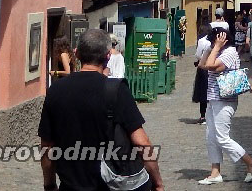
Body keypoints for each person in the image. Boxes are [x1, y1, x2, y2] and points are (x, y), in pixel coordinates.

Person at [38, 28, 164, 191]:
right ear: (108, 56)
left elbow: (46, 146)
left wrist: (49, 184)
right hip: (110, 185)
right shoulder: (116, 90)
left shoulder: (56, 90)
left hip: (71, 185)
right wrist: (158, 183)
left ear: (76, 54)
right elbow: (142, 142)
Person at [197, 28, 252, 185]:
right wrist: (212, 49)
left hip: (225, 100)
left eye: (214, 41)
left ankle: (250, 162)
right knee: (211, 136)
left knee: (222, 138)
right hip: (213, 98)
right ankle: (215, 172)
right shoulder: (217, 50)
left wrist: (216, 48)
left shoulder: (230, 53)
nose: (212, 43)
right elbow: (201, 65)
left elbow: (211, 65)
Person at [193, 23, 213, 124]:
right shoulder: (213, 39)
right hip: (213, 67)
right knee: (212, 91)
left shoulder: (202, 41)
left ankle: (203, 116)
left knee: (203, 92)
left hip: (204, 68)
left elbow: (197, 55)